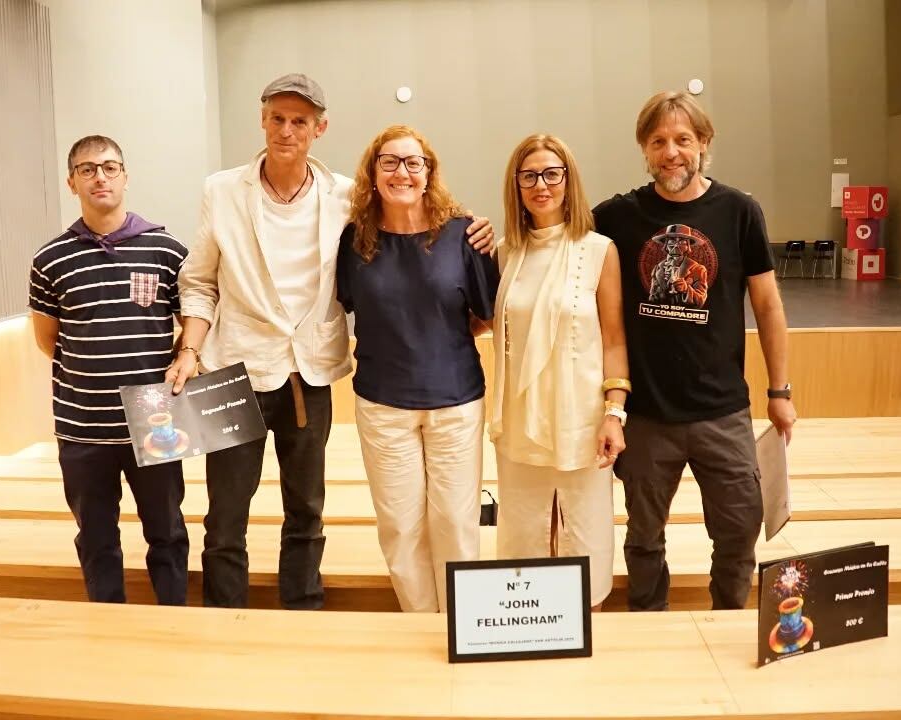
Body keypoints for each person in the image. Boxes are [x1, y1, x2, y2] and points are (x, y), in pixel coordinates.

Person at [166, 74, 494, 610]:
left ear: (320, 128)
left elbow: (412, 229)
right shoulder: (220, 190)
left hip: (309, 374)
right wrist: (189, 349)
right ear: (262, 119)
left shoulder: (346, 196)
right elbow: (199, 281)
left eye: (300, 121)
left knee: (307, 510)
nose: (287, 130)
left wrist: (473, 229)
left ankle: (303, 610)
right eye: (277, 118)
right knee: (224, 515)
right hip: (230, 370)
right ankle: (222, 619)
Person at [593, 91, 797, 611]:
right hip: (646, 414)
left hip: (722, 412)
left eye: (683, 139)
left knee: (737, 531)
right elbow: (551, 232)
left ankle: (729, 616)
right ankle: (648, 616)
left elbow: (769, 307)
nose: (672, 152)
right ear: (644, 149)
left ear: (703, 143)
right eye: (658, 141)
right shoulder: (617, 217)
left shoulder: (739, 211)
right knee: (643, 538)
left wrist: (780, 391)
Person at [336, 125, 499, 613]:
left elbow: (485, 314)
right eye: (389, 162)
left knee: (454, 519)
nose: (401, 172)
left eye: (412, 163)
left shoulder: (464, 235)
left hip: (456, 401)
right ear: (373, 173)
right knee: (401, 525)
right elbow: (350, 305)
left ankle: (460, 623)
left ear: (429, 173)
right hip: (383, 405)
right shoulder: (353, 241)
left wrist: (436, 342)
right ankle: (419, 621)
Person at [28, 135, 189, 605]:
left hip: (155, 418)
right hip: (82, 428)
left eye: (110, 167)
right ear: (71, 181)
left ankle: (175, 617)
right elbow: (48, 340)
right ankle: (108, 621)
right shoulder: (50, 259)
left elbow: (192, 324)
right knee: (96, 538)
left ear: (125, 176)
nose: (100, 176)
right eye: (87, 169)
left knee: (168, 531)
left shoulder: (165, 248)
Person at [489, 134, 628, 610]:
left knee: (583, 523)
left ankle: (581, 615)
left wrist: (615, 412)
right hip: (521, 416)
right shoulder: (506, 253)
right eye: (529, 175)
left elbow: (614, 339)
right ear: (516, 185)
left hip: (580, 416)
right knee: (525, 525)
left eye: (552, 173)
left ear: (569, 180)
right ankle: (525, 616)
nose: (541, 185)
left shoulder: (599, 250)